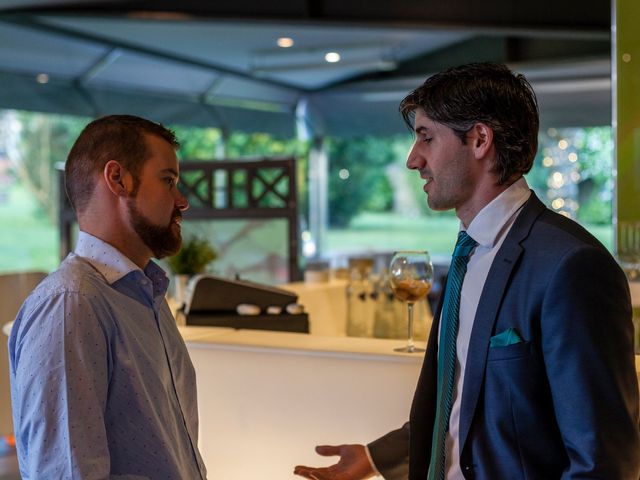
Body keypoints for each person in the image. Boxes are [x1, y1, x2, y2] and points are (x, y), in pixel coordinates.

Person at [294, 63, 640, 479]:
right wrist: (373, 457)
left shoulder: (572, 265)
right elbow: (464, 402)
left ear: (479, 140)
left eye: (426, 137)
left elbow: (603, 460)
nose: (412, 159)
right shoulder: (467, 253)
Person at [8, 115, 208, 479]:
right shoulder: (71, 304)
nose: (182, 201)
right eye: (168, 181)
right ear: (117, 178)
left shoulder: (144, 294)